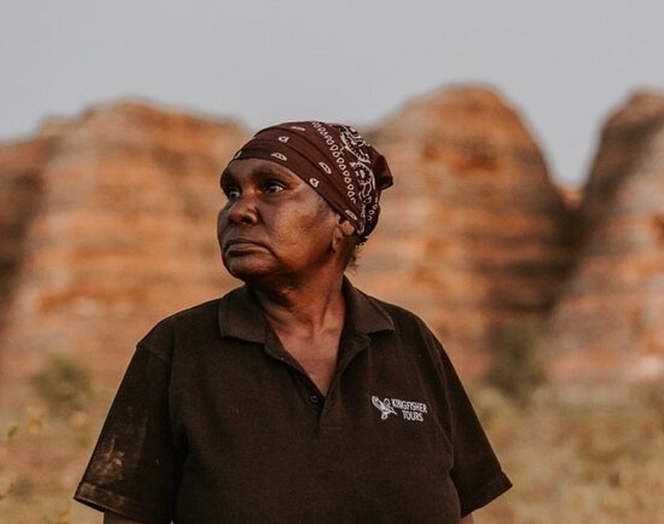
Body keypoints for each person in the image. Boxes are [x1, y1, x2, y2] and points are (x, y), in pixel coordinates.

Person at [74, 121, 512, 523]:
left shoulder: (408, 341)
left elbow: (460, 511)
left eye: (271, 187)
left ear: (343, 220)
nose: (239, 211)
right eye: (231, 193)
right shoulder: (177, 348)